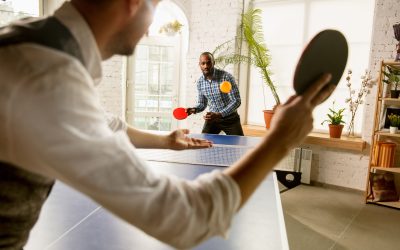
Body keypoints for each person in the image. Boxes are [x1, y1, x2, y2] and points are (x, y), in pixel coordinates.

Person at [0, 0, 335, 249]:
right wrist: (280, 140)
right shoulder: (49, 78)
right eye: (156, 4)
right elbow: (189, 218)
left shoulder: (27, 42)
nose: (151, 26)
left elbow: (101, 123)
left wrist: (164, 140)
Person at [186, 52, 244, 136]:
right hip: (212, 120)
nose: (206, 66)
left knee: (240, 146)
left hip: (230, 120)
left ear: (213, 62)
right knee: (204, 144)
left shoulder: (226, 77)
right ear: (199, 65)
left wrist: (219, 114)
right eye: (203, 63)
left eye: (208, 62)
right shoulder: (200, 82)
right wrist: (193, 109)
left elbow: (236, 101)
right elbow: (202, 103)